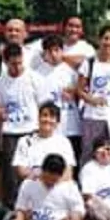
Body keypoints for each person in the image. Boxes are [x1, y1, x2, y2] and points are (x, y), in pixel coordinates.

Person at [0, 18, 34, 220]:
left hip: (29, 121)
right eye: (10, 30)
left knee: (29, 164)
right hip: (6, 120)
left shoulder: (33, 55)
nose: (13, 33)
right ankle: (4, 204)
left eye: (17, 30)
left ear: (25, 33)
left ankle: (28, 205)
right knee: (5, 164)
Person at [0, 43, 43, 220]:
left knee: (32, 171)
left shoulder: (34, 78)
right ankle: (12, 207)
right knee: (10, 174)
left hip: (31, 130)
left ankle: (34, 207)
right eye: (13, 64)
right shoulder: (0, 84)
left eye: (20, 63)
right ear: (5, 62)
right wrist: (0, 136)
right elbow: (0, 113)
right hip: (11, 131)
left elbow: (43, 106)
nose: (17, 67)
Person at [7, 153, 85, 220]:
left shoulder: (70, 187)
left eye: (53, 180)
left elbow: (77, 211)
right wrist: (18, 219)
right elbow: (21, 208)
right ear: (42, 171)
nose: (49, 182)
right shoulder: (29, 183)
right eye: (46, 178)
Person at [77, 25, 110, 163]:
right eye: (106, 38)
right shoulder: (90, 62)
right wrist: (92, 100)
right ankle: (87, 182)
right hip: (93, 116)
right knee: (89, 153)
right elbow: (80, 90)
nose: (109, 42)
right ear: (99, 40)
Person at [34, 35, 82, 168]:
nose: (54, 54)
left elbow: (84, 92)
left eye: (57, 50)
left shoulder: (72, 72)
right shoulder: (36, 74)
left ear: (62, 51)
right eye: (50, 51)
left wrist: (75, 92)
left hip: (71, 127)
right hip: (50, 129)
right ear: (44, 53)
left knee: (71, 165)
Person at [12, 102, 77, 182]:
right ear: (38, 118)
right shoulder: (25, 141)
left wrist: (52, 184)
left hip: (58, 186)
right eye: (45, 115)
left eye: (52, 117)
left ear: (57, 122)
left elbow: (68, 172)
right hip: (33, 185)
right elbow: (21, 170)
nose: (47, 119)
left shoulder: (64, 142)